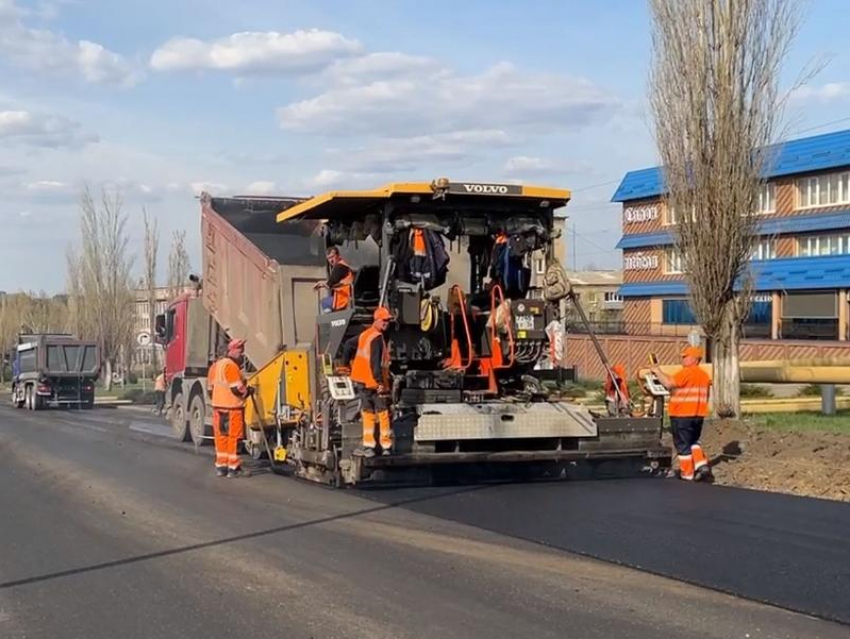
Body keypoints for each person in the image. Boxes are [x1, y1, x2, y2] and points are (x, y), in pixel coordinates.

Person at [651, 346, 712, 482]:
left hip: (682, 414)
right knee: (693, 441)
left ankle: (687, 474)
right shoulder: (704, 376)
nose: (683, 359)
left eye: (685, 356)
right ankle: (701, 465)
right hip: (698, 415)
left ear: (694, 359)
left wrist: (657, 371)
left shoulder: (685, 373)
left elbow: (668, 383)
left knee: (682, 445)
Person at [348, 307, 393, 457]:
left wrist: (344, 364)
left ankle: (369, 446)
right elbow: (375, 363)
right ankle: (386, 446)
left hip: (362, 381)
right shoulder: (377, 338)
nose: (387, 323)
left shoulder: (365, 335)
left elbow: (348, 344)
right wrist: (380, 383)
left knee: (367, 413)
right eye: (384, 320)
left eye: (388, 320)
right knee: (383, 412)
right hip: (373, 382)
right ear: (377, 320)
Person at [209, 339, 252, 478]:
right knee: (234, 437)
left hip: (218, 407)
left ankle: (221, 467)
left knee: (221, 437)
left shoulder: (215, 366)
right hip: (232, 407)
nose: (241, 353)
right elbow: (237, 389)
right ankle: (234, 468)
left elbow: (210, 388)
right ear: (231, 351)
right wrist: (248, 391)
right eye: (240, 350)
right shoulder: (231, 366)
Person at [314, 246, 354, 313]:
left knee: (324, 302)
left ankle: (330, 318)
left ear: (338, 255)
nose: (331, 260)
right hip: (347, 296)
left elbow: (330, 283)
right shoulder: (345, 266)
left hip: (343, 297)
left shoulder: (339, 267)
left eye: (332, 257)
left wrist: (321, 285)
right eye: (329, 258)